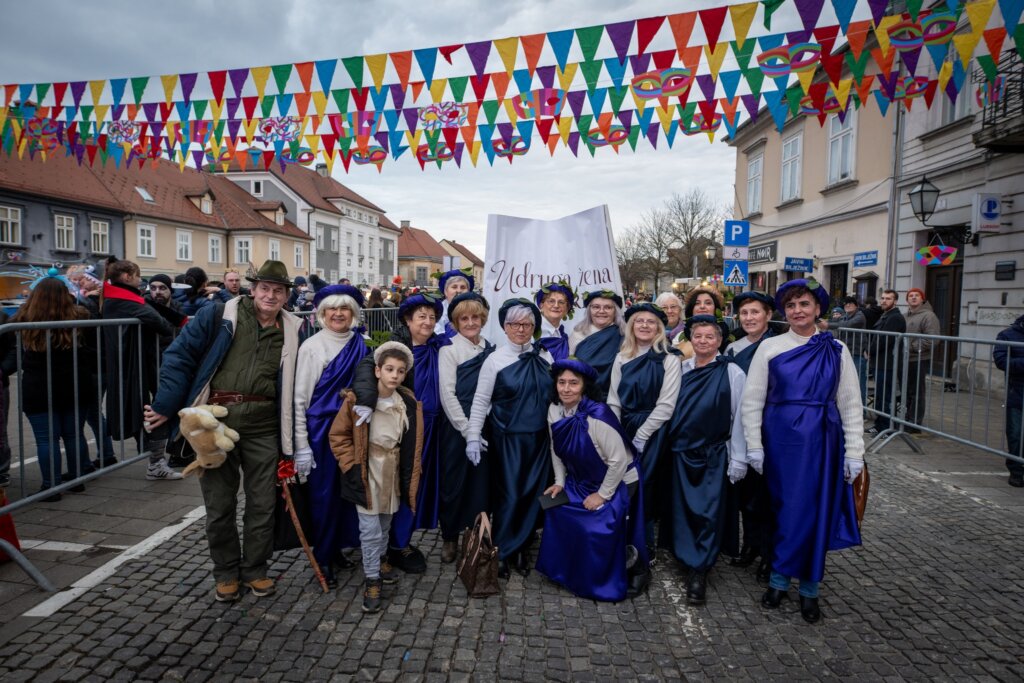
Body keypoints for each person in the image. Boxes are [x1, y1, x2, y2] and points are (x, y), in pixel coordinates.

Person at [145, 260, 302, 602]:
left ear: (286, 295)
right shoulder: (219, 316)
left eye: (278, 290)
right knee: (219, 506)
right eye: (265, 288)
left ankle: (256, 570)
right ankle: (226, 572)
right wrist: (166, 404)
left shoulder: (295, 329)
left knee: (263, 504)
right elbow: (180, 355)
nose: (270, 296)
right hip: (216, 422)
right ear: (253, 288)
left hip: (265, 426)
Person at [741, 278, 864, 624]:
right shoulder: (770, 348)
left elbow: (851, 403)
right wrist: (754, 445)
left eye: (804, 304)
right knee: (784, 511)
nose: (798, 311)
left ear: (818, 309)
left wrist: (854, 451)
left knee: (816, 512)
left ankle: (810, 588)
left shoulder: (837, 349)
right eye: (792, 305)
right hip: (780, 442)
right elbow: (752, 401)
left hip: (823, 442)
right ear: (784, 311)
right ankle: (779, 580)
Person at [351, 293, 451, 573]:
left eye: (432, 317)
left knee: (422, 487)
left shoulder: (439, 346)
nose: (428, 322)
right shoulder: (395, 348)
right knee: (402, 483)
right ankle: (391, 545)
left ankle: (402, 540)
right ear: (407, 320)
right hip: (406, 429)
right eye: (421, 316)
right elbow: (367, 370)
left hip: (436, 428)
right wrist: (367, 400)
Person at [537, 358, 648, 601]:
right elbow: (556, 449)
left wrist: (602, 495)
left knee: (596, 524)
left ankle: (635, 567)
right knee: (556, 509)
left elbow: (618, 461)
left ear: (584, 387)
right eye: (561, 382)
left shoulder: (599, 416)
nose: (566, 388)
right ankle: (567, 570)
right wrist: (560, 483)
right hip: (582, 479)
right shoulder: (554, 410)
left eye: (573, 383)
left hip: (617, 481)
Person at [329, 342, 422, 612]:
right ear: (377, 371)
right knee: (369, 529)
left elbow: (410, 439)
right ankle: (371, 578)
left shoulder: (405, 401)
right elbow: (338, 436)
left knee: (384, 522)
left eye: (400, 371)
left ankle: (380, 561)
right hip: (368, 470)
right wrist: (350, 464)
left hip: (391, 470)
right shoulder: (356, 401)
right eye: (389, 369)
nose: (395, 375)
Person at [664, 315, 748, 606]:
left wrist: (738, 457)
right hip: (680, 453)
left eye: (709, 337)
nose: (703, 341)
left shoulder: (732, 373)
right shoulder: (680, 368)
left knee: (707, 511)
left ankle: (700, 569)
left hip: (712, 453)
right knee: (682, 508)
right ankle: (684, 557)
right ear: (690, 339)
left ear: (719, 340)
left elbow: (739, 418)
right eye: (697, 336)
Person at [467, 298, 553, 578]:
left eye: (527, 324)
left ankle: (521, 548)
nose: (521, 329)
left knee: (532, 495)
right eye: (514, 323)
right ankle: (502, 549)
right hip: (507, 439)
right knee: (510, 495)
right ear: (504, 327)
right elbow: (481, 400)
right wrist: (472, 436)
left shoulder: (544, 357)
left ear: (534, 327)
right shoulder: (495, 360)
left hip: (539, 439)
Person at [293, 284, 369, 588]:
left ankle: (338, 547)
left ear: (353, 313)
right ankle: (323, 556)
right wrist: (301, 446)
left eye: (344, 308)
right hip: (322, 431)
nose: (338, 314)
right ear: (322, 314)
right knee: (323, 496)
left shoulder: (361, 344)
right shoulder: (313, 347)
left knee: (348, 492)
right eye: (332, 309)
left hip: (354, 429)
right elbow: (301, 399)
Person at [1, 274, 95, 500]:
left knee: (46, 439)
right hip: (74, 382)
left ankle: (50, 486)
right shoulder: (79, 317)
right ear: (65, 296)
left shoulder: (24, 318)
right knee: (74, 435)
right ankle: (77, 479)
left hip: (39, 385)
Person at [607, 303, 680, 563]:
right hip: (624, 427)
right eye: (640, 321)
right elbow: (614, 399)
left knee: (646, 487)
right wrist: (615, 433)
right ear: (631, 326)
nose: (645, 326)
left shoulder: (670, 359)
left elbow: (666, 405)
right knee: (621, 484)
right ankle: (620, 541)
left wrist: (643, 434)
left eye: (651, 322)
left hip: (654, 431)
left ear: (659, 327)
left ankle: (644, 545)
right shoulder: (622, 357)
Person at [101, 260, 181, 481]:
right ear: (127, 277)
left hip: (142, 365)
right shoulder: (126, 300)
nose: (141, 282)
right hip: (137, 366)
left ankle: (154, 460)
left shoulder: (117, 297)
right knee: (153, 410)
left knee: (151, 409)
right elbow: (161, 324)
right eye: (138, 276)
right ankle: (154, 462)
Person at [436, 292, 495, 562]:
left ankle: (476, 533)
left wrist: (482, 423)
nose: (470, 322)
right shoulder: (449, 350)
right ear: (456, 321)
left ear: (482, 319)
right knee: (454, 482)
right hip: (457, 426)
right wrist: (466, 429)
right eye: (464, 318)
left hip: (485, 425)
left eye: (475, 317)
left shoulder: (490, 349)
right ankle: (450, 535)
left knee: (481, 483)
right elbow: (448, 394)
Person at [723, 291, 777, 578]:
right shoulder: (733, 347)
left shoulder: (778, 345)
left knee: (767, 493)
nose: (749, 318)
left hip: (769, 427)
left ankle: (770, 553)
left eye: (755, 312)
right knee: (746, 492)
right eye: (744, 313)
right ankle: (751, 545)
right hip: (740, 426)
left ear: (768, 315)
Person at [569, 290, 625, 396]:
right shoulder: (577, 333)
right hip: (581, 395)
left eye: (608, 307)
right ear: (589, 310)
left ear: (615, 311)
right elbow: (571, 367)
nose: (601, 311)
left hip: (612, 396)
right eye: (596, 307)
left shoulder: (623, 335)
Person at [867, 289, 906, 435]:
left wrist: (870, 350)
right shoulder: (886, 315)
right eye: (883, 298)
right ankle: (879, 425)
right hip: (880, 362)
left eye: (888, 299)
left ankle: (886, 427)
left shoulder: (895, 317)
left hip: (888, 363)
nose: (884, 301)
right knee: (880, 395)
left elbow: (884, 340)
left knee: (885, 396)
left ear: (895, 301)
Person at [904, 288, 940, 432]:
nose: (913, 298)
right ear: (907, 300)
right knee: (907, 391)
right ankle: (908, 418)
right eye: (910, 296)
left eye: (916, 295)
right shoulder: (905, 315)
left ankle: (915, 422)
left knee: (917, 391)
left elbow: (932, 338)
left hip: (918, 358)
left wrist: (912, 347)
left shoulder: (928, 316)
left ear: (922, 299)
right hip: (905, 359)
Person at [994, 314, 1024, 488]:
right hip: (1018, 390)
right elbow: (1001, 361)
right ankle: (1016, 471)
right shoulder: (1007, 334)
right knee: (1015, 433)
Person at [825, 296, 869, 405]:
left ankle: (861, 410)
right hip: (845, 353)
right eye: (845, 304)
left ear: (856, 305)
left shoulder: (859, 316)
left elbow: (846, 325)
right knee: (844, 382)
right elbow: (836, 321)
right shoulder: (845, 316)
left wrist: (827, 325)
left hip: (857, 353)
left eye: (850, 303)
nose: (848, 305)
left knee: (858, 383)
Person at [675, 287, 725, 358]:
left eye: (708, 303)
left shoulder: (727, 338)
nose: (702, 307)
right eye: (697, 303)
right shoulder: (678, 339)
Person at [535, 281, 575, 362]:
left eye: (561, 302)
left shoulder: (564, 336)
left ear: (567, 309)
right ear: (541, 305)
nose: (556, 305)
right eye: (551, 301)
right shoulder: (531, 331)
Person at [434, 269, 473, 337]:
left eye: (463, 287)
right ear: (446, 291)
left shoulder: (476, 309)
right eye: (454, 287)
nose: (458, 290)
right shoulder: (437, 311)